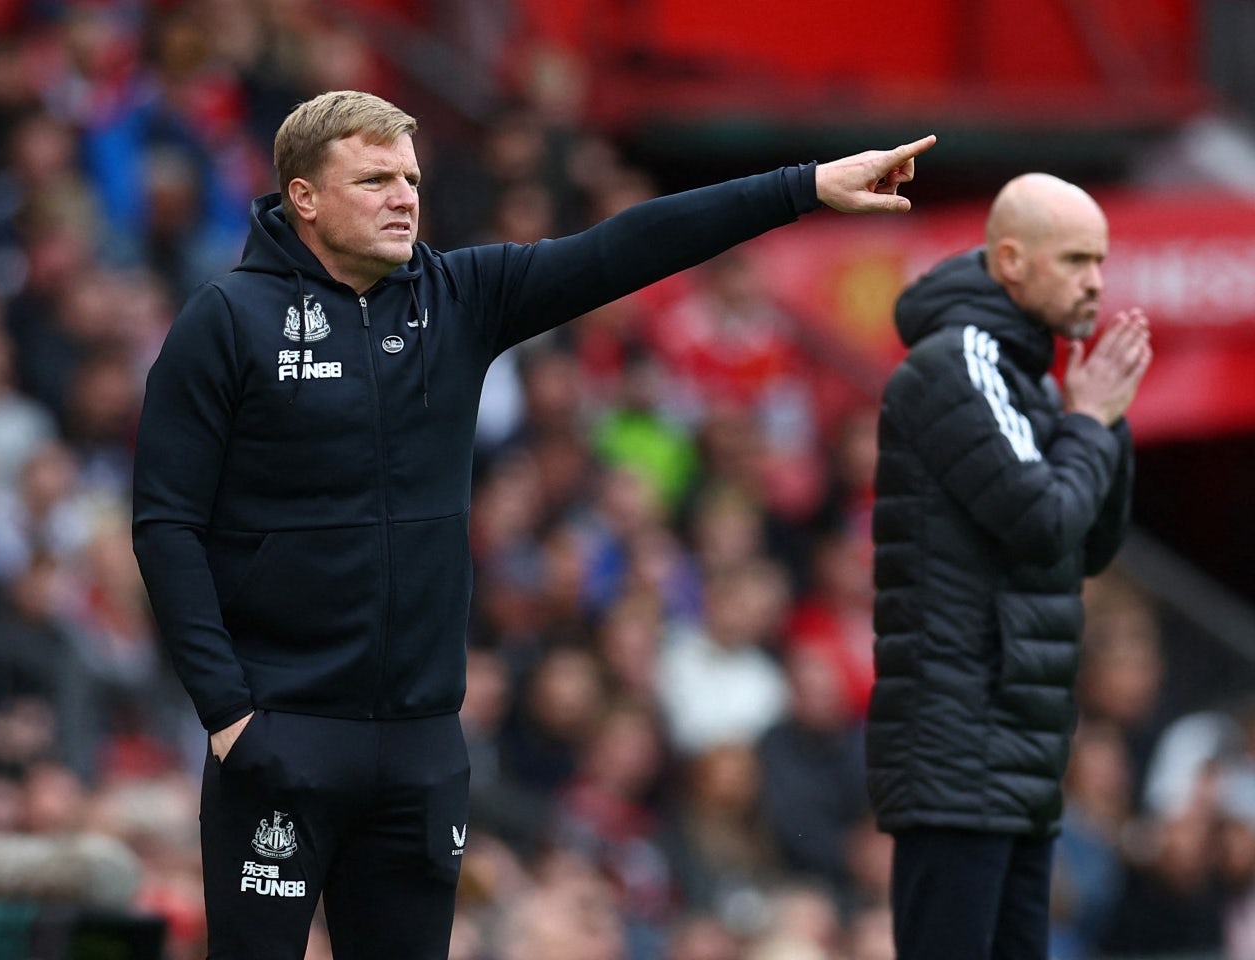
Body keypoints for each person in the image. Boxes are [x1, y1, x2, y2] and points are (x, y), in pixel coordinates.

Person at [130, 88, 935, 960]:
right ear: (304, 197)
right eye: (375, 180)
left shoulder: (457, 297)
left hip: (423, 747)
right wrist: (229, 713)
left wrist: (804, 186)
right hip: (280, 735)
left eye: (411, 177)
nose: (406, 196)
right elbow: (166, 523)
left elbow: (626, 246)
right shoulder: (226, 321)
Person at [866, 171, 1153, 960]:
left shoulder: (1027, 372)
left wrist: (1105, 424)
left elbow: (1088, 546)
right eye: (1074, 261)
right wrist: (1090, 421)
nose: (1095, 281)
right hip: (958, 751)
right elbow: (1043, 520)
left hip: (1015, 752)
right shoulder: (958, 361)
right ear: (1011, 261)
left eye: (1100, 261)